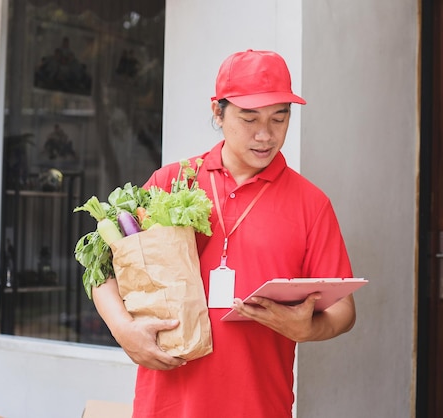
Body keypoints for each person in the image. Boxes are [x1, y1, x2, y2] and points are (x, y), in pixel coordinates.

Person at [92, 49, 357, 418]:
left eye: (279, 119)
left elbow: (344, 310)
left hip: (259, 406)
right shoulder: (172, 181)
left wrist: (309, 327)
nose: (265, 135)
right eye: (249, 119)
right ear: (218, 112)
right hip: (166, 407)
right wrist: (124, 331)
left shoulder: (311, 204)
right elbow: (101, 271)